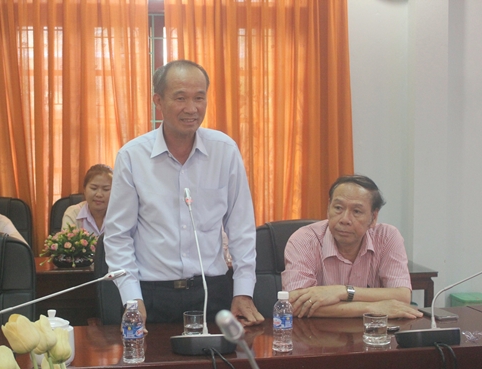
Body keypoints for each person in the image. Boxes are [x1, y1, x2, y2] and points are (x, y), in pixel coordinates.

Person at [104, 59, 264, 327]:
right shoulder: (132, 156)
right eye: (180, 98)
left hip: (213, 291)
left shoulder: (224, 151)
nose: (192, 108)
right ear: (158, 101)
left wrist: (243, 291)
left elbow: (241, 228)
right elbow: (118, 236)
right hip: (152, 294)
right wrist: (132, 299)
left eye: (199, 98)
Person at [281, 175, 423, 319]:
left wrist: (341, 292)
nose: (345, 219)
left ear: (373, 217)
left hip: (373, 331)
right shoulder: (304, 240)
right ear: (328, 208)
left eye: (356, 211)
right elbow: (295, 303)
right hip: (316, 331)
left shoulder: (387, 237)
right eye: (338, 208)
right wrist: (371, 308)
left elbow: (402, 296)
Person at [61, 164, 113, 236]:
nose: (99, 194)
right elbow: (67, 241)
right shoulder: (73, 213)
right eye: (94, 188)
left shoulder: (120, 214)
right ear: (84, 189)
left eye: (106, 189)